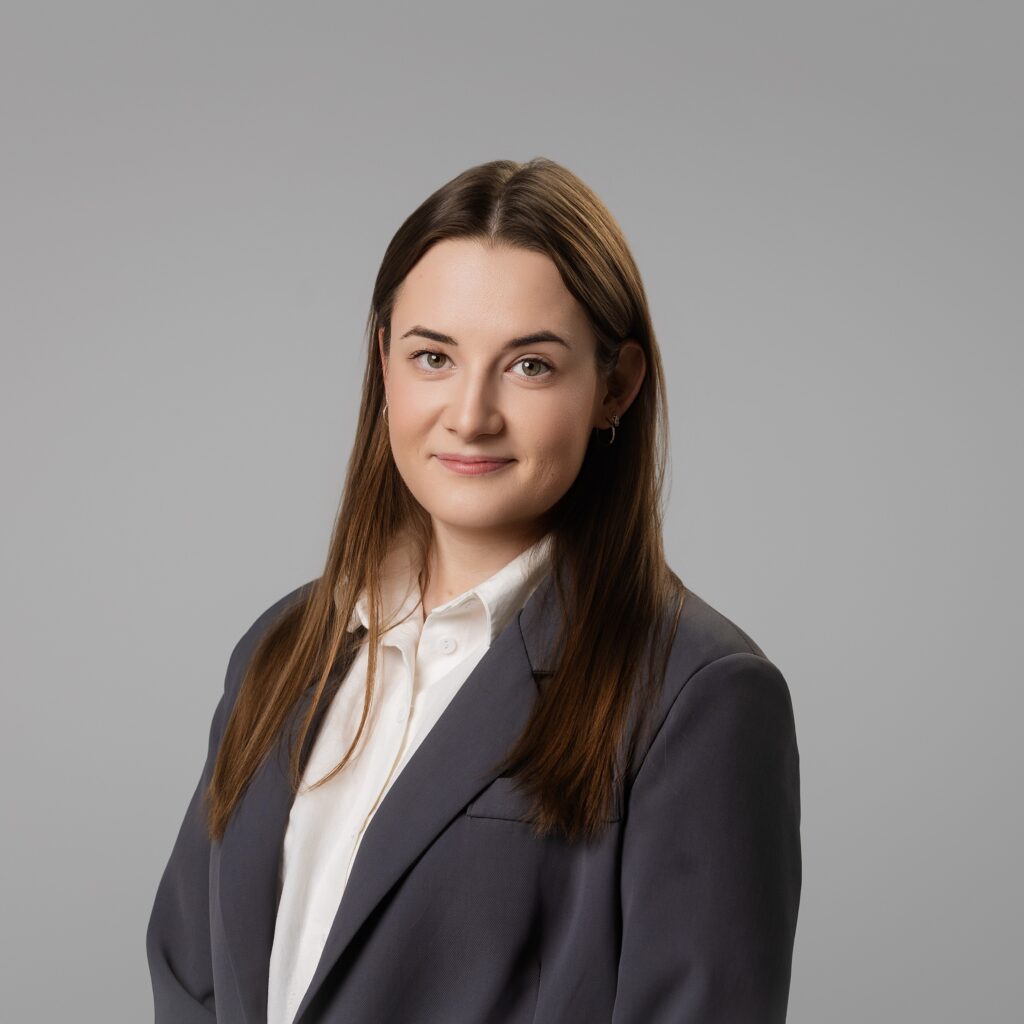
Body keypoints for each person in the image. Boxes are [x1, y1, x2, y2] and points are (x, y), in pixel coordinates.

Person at [146, 157, 802, 1024]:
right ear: (384, 361)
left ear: (615, 386)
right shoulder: (282, 647)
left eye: (530, 365)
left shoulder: (699, 698)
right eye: (433, 357)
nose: (470, 414)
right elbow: (191, 976)